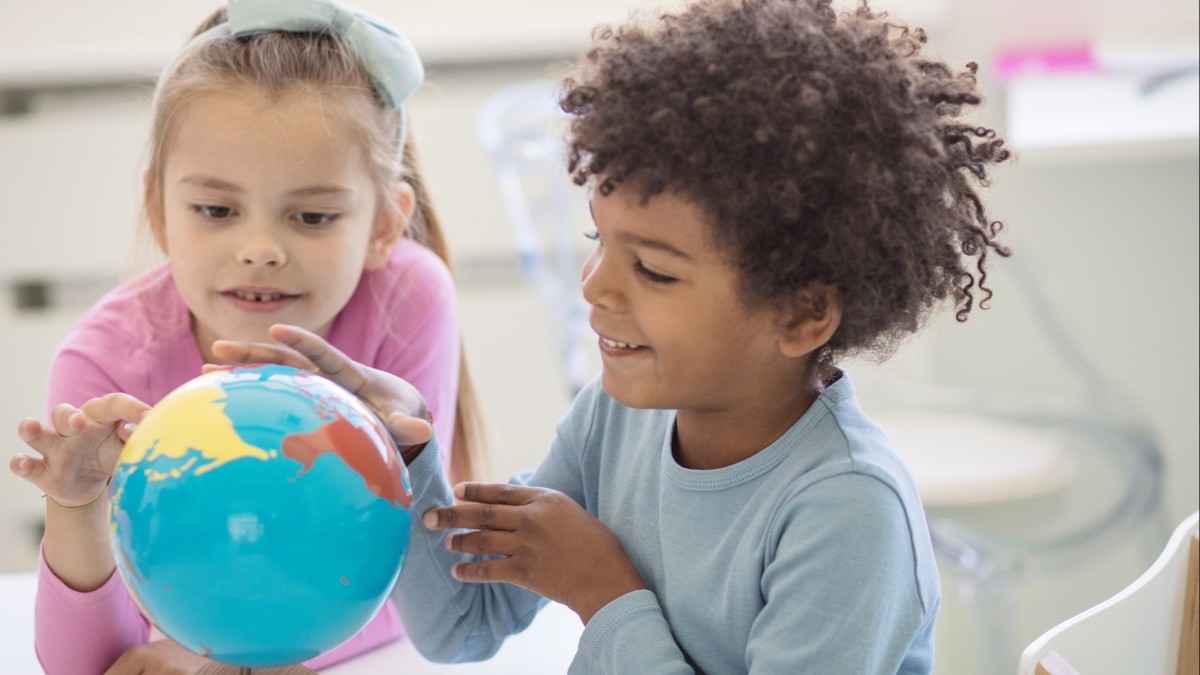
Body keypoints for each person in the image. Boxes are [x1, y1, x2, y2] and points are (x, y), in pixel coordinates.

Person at [213, 0, 1014, 672]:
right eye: (600, 241)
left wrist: (604, 594)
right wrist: (404, 452)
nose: (595, 286)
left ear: (803, 314)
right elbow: (463, 622)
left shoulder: (847, 513)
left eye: (656, 271)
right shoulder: (617, 418)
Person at [8, 1, 486, 672]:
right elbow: (89, 664)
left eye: (313, 215)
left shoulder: (408, 298)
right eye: (215, 209)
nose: (260, 248)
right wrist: (73, 507)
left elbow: (411, 586)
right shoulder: (103, 361)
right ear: (159, 210)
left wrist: (223, 662)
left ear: (384, 224)